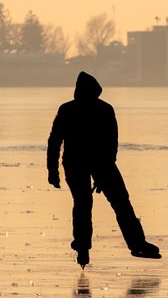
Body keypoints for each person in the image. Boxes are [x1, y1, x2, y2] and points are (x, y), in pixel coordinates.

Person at [47, 72, 161, 268]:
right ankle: (83, 246)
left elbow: (111, 142)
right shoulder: (70, 110)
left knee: (119, 202)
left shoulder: (103, 109)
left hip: (102, 163)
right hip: (77, 164)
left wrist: (105, 169)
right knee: (85, 203)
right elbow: (55, 141)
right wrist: (52, 171)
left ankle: (137, 244)